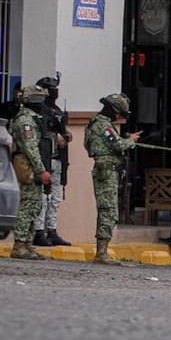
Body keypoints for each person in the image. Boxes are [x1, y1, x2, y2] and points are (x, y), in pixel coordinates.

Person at [84, 93, 141, 264]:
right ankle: (102, 253)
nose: (119, 118)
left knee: (106, 210)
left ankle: (102, 251)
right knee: (108, 211)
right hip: (107, 171)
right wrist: (130, 140)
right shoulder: (104, 126)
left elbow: (91, 145)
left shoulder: (95, 123)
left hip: (106, 169)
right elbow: (117, 145)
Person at [8, 85, 52, 260]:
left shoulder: (33, 118)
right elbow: (30, 147)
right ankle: (19, 245)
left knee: (35, 204)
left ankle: (27, 244)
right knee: (27, 205)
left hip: (32, 164)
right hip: (27, 164)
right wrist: (41, 170)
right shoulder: (26, 121)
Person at [32, 75, 72, 247]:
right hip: (44, 159)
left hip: (57, 158)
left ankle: (52, 229)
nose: (54, 92)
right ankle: (39, 231)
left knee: (55, 198)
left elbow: (61, 128)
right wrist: (55, 136)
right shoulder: (37, 111)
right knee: (42, 197)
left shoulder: (56, 110)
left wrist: (65, 133)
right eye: (51, 89)